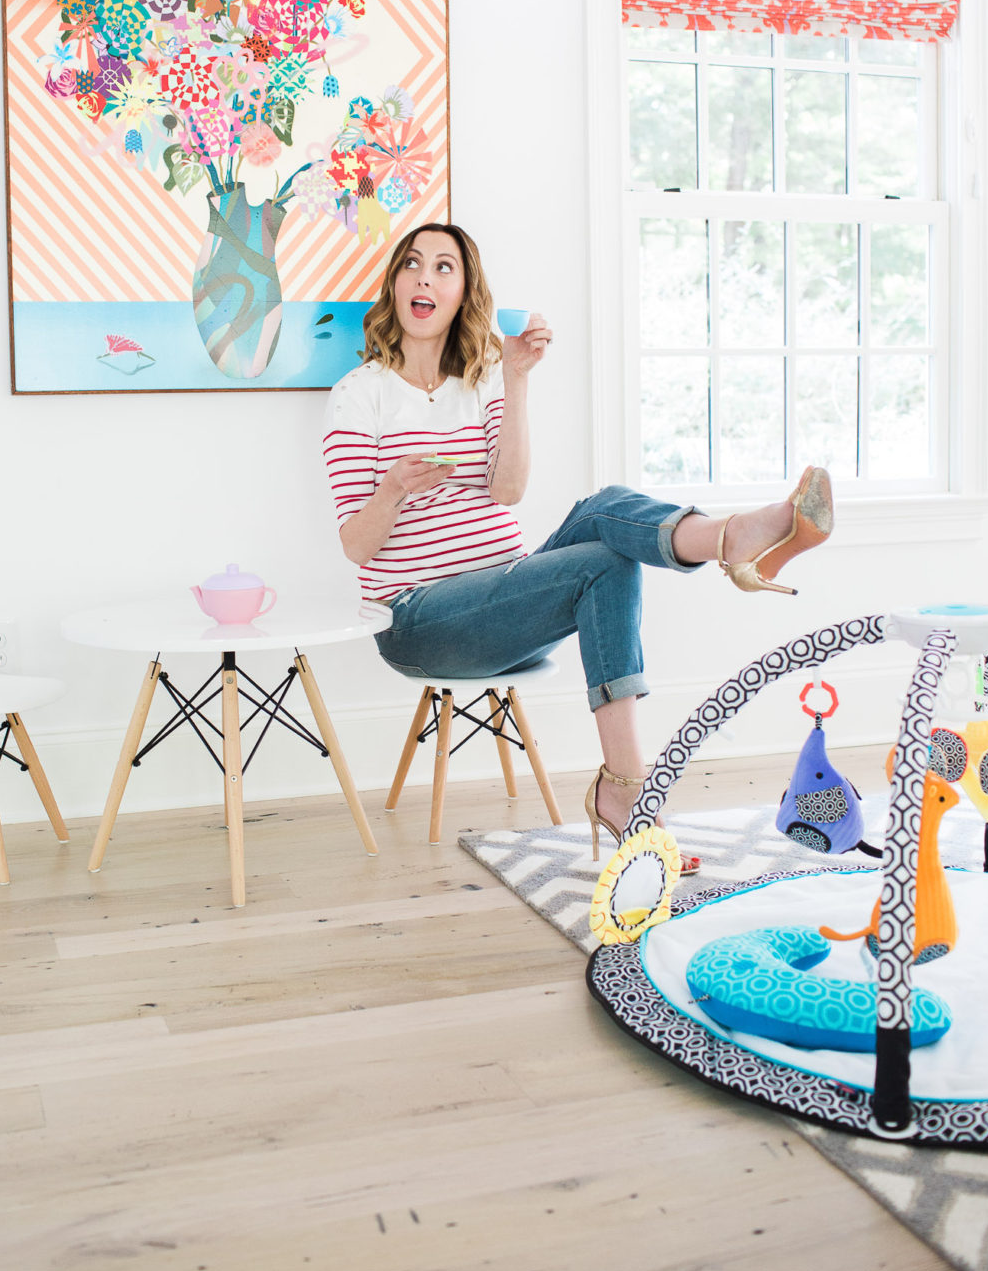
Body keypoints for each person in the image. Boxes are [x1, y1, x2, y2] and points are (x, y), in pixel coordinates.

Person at [322, 222, 833, 867]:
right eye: (413, 264)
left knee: (606, 509)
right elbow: (355, 547)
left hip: (508, 595)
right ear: (396, 284)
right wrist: (393, 488)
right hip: (419, 621)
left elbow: (507, 491)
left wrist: (517, 379)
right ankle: (628, 786)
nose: (425, 276)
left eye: (444, 267)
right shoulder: (358, 395)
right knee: (603, 561)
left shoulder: (480, 384)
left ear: (462, 293)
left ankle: (731, 538)